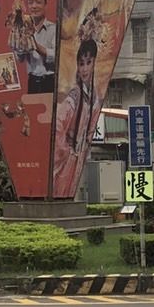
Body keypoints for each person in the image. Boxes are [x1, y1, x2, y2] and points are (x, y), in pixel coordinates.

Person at [53, 38, 98, 196]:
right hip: (67, 162)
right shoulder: (75, 95)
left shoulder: (94, 97)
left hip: (77, 161)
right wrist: (66, 151)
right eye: (81, 63)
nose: (84, 69)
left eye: (88, 62)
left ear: (94, 63)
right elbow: (57, 125)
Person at [13, 0, 57, 94]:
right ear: (27, 6)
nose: (34, 6)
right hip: (32, 82)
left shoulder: (54, 29)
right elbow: (20, 59)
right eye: (31, 2)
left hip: (51, 81)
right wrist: (19, 45)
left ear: (45, 4)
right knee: (32, 111)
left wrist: (34, 44)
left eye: (38, 2)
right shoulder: (23, 30)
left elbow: (57, 56)